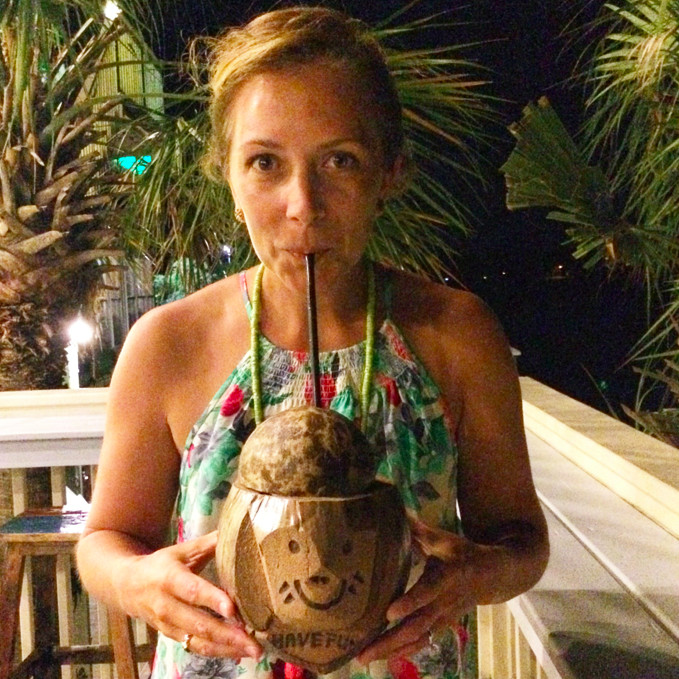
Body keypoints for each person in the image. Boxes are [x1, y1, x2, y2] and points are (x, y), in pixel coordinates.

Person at [76, 7, 549, 679]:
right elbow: (104, 539)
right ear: (229, 176)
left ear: (389, 172)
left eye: (339, 161)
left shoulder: (456, 335)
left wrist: (481, 571)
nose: (302, 203)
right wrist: (136, 581)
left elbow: (521, 541)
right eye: (265, 162)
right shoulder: (169, 343)